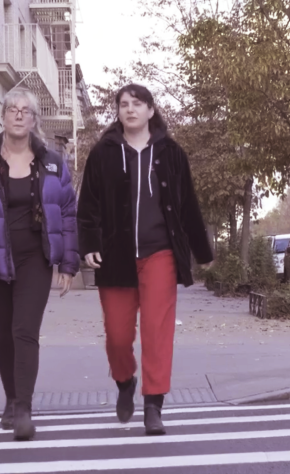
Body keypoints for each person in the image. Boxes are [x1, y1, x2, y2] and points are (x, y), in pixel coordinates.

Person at [77, 83, 213, 435]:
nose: (130, 109)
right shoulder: (104, 152)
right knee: (118, 337)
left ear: (151, 110)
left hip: (160, 254)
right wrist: (88, 243)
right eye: (123, 104)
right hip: (115, 256)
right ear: (118, 112)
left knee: (157, 331)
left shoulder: (171, 153)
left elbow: (188, 205)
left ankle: (154, 405)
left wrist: (203, 252)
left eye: (137, 104)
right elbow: (88, 205)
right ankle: (125, 380)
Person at [0, 88, 79, 441]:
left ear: (34, 119)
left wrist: (68, 262)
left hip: (34, 259)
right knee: (2, 337)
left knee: (25, 332)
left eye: (26, 110)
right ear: (3, 116)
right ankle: (10, 397)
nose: (19, 115)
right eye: (13, 109)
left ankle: (23, 408)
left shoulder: (53, 163)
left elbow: (68, 213)